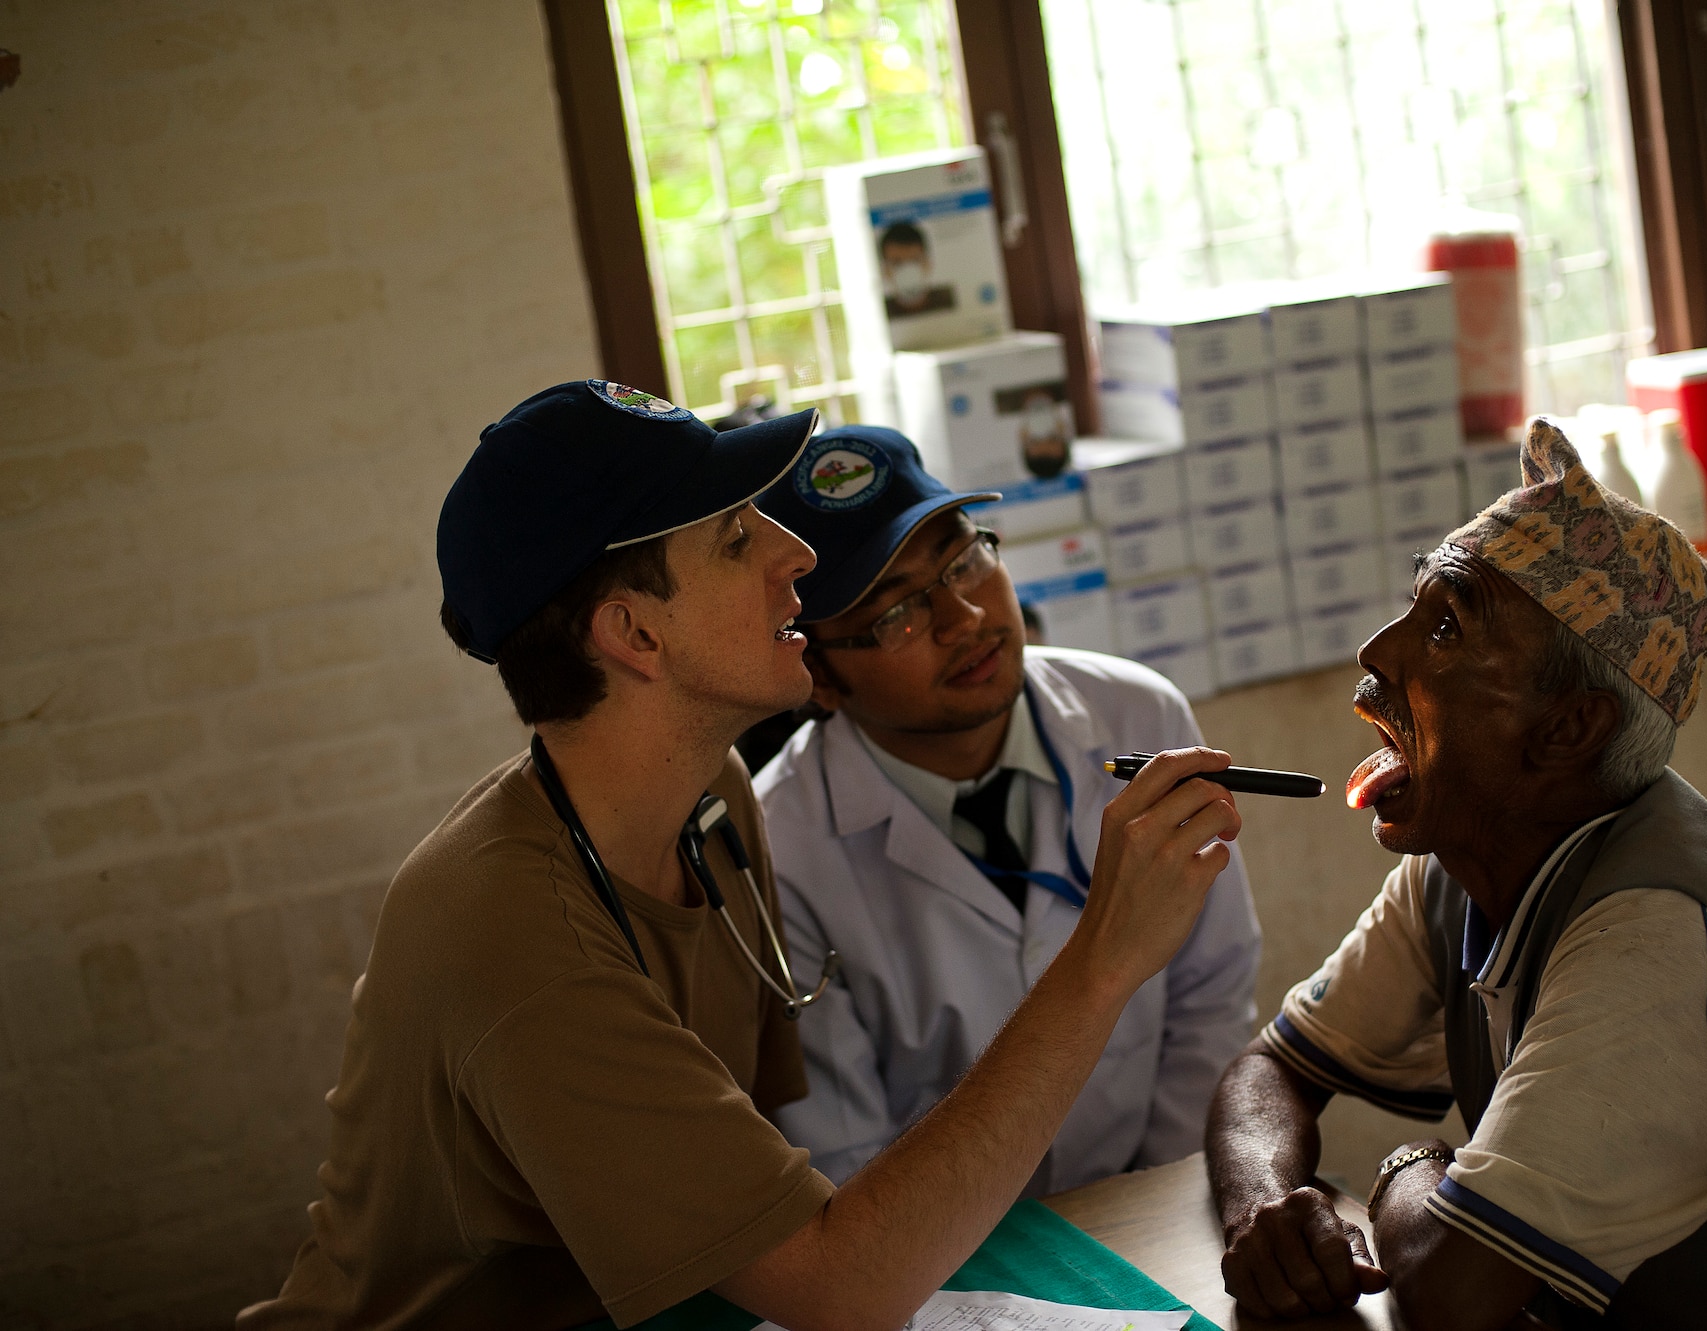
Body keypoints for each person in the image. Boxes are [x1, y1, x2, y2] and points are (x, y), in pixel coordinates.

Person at [239, 381, 1245, 1331]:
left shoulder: (709, 802)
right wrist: (1103, 957)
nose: (794, 556)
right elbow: (837, 1279)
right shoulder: (513, 939)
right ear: (634, 632)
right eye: (733, 537)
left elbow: (771, 1172)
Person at [1204, 419, 1707, 1330]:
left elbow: (1447, 1291)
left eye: (1447, 627)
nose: (1378, 653)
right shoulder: (1470, 859)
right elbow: (1271, 1068)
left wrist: (1408, 1169)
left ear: (1567, 730)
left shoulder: (1656, 945)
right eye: (1414, 607)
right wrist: (1262, 1205)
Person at [751, 425, 1261, 1193]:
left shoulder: (1138, 716)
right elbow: (845, 1153)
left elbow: (1212, 987)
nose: (965, 618)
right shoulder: (780, 851)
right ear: (816, 673)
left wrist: (1155, 1202)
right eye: (896, 614)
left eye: (965, 561)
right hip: (946, 1268)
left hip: (1160, 1194)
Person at [878, 220, 953, 317]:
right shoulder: (876, 315)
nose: (907, 271)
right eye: (897, 263)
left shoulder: (947, 300)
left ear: (927, 263)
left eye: (915, 261)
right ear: (885, 270)